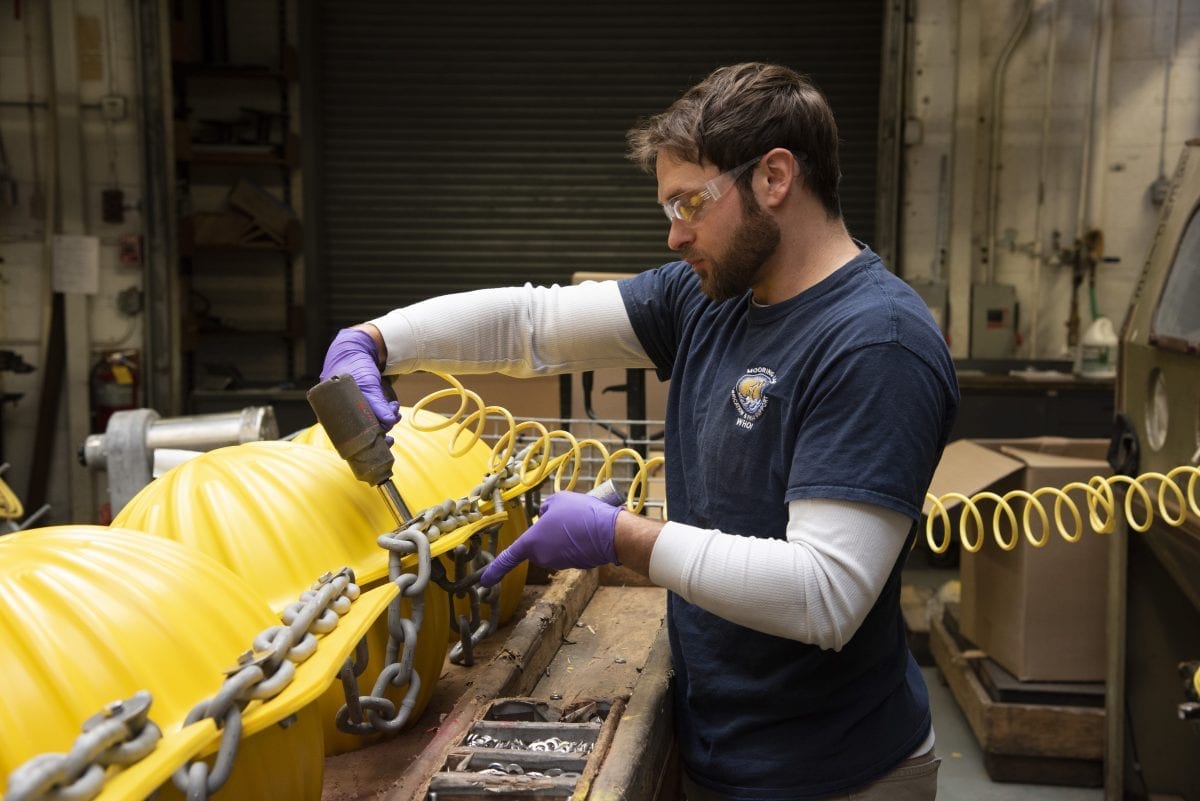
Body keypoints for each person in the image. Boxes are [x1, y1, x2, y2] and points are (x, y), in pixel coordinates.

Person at [321, 62, 958, 801]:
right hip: (720, 746)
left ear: (776, 176)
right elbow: (537, 324)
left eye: (692, 201)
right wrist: (375, 340)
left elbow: (824, 596)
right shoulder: (713, 297)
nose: (674, 232)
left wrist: (622, 538)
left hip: (837, 773)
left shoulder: (876, 344)